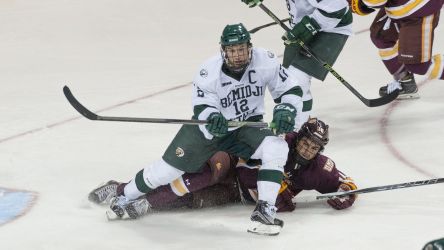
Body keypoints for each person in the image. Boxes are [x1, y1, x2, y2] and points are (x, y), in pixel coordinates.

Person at [96, 23, 305, 235]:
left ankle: (265, 211)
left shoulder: (265, 61)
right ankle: (126, 196)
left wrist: (286, 109)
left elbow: (290, 88)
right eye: (232, 50)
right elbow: (202, 105)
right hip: (207, 131)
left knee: (276, 147)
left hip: (244, 126)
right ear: (223, 50)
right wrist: (211, 117)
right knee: (166, 170)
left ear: (249, 47)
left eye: (242, 49)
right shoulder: (209, 71)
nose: (238, 55)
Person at [90, 118, 357, 222]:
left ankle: (149, 202)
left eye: (315, 146)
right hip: (231, 160)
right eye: (306, 142)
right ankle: (123, 188)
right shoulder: (279, 143)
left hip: (235, 194)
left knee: (191, 200)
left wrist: (344, 196)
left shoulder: (319, 170)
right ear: (298, 137)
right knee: (206, 172)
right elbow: (246, 159)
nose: (309, 149)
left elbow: (346, 184)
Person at [241, 0, 353, 129]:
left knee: (296, 80)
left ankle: (297, 130)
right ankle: (300, 124)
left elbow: (337, 7)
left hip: (331, 27)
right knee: (287, 81)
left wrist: (308, 26)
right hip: (303, 24)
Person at [347, 0, 444, 99]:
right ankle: (405, 82)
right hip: (401, 6)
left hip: (418, 9)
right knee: (381, 37)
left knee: (419, 65)